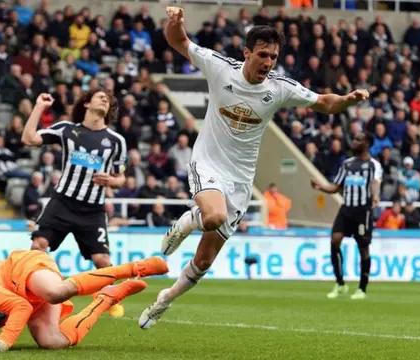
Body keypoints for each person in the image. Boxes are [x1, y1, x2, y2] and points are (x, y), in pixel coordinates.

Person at [139, 7, 371, 329]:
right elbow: (178, 42)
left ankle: (164, 299)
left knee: (204, 261)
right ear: (246, 52)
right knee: (214, 216)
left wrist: (347, 99)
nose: (268, 63)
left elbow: (323, 102)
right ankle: (186, 222)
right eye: (263, 55)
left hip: (240, 181)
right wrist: (175, 23)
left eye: (273, 57)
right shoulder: (220, 68)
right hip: (207, 162)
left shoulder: (278, 88)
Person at [0, 250, 168, 351]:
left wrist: (3, 342)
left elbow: (19, 306)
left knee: (55, 292)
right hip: (23, 302)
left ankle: (137, 267)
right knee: (52, 342)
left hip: (18, 272)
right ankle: (106, 298)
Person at [22, 89, 128, 314]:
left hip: (93, 210)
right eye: (100, 96)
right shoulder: (67, 130)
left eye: (108, 99)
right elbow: (28, 138)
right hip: (62, 203)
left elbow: (121, 178)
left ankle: (109, 299)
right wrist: (40, 107)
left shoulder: (116, 141)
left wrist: (111, 180)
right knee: (38, 246)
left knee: (102, 260)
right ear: (87, 103)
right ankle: (30, 294)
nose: (104, 99)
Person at [311, 133, 382, 300]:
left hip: (363, 210)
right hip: (346, 209)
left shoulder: (373, 165)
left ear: (367, 143)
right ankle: (340, 283)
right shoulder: (347, 164)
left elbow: (376, 182)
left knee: (363, 248)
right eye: (354, 138)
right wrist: (320, 187)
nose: (354, 141)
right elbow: (336, 186)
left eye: (358, 139)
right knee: (335, 240)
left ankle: (362, 288)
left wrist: (376, 196)